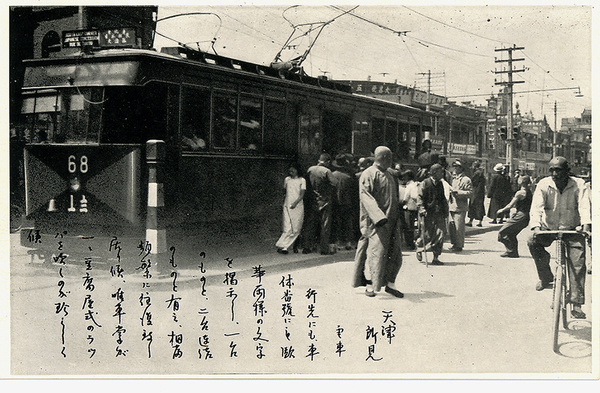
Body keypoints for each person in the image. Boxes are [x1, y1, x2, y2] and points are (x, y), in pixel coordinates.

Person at [527, 157, 591, 319]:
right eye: (552, 170)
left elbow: (584, 206)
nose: (555, 174)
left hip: (572, 229)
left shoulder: (579, 184)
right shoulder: (543, 184)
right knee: (532, 241)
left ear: (567, 171)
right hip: (549, 228)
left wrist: (585, 225)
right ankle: (546, 276)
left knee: (578, 262)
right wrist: (536, 226)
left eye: (559, 170)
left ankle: (576, 303)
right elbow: (536, 207)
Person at [351, 146, 404, 298]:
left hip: (392, 221)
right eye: (390, 157)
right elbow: (366, 197)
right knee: (375, 255)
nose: (391, 161)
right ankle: (370, 285)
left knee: (395, 254)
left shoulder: (390, 174)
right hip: (376, 223)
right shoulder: (368, 174)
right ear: (383, 157)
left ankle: (390, 284)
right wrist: (379, 218)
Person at [304, 153, 338, 254]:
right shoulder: (327, 171)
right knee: (325, 225)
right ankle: (324, 249)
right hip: (325, 200)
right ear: (327, 162)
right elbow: (335, 182)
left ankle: (307, 247)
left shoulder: (310, 169)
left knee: (310, 224)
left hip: (313, 200)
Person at [416, 163, 449, 265]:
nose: (442, 174)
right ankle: (419, 248)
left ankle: (436, 257)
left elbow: (443, 199)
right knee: (426, 235)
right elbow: (420, 198)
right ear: (434, 172)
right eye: (440, 172)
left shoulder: (440, 184)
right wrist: (422, 209)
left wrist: (445, 211)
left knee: (440, 234)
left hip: (439, 214)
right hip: (428, 213)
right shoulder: (425, 183)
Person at [496, 175, 533, 258]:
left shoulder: (520, 193)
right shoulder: (529, 191)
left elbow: (510, 205)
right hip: (526, 216)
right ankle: (512, 252)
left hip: (520, 215)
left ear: (521, 182)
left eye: (519, 179)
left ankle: (510, 251)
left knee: (502, 232)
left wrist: (501, 210)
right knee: (512, 234)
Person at [275, 163, 306, 254]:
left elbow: (302, 194)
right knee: (287, 226)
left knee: (296, 228)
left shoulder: (302, 180)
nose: (291, 172)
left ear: (297, 170)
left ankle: (284, 246)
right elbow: (285, 191)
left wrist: (295, 203)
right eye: (290, 170)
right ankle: (283, 246)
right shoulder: (287, 179)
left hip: (297, 206)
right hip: (287, 205)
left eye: (293, 170)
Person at [331, 153, 355, 250]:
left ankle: (336, 243)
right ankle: (348, 242)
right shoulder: (348, 177)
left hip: (335, 202)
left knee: (335, 222)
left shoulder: (332, 175)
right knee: (347, 222)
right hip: (346, 202)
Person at [448, 160, 472, 252]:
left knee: (459, 228)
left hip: (460, 206)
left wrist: (459, 193)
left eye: (457, 166)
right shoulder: (453, 178)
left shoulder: (466, 179)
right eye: (454, 166)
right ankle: (454, 243)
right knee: (452, 227)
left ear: (461, 168)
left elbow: (470, 193)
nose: (455, 168)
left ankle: (459, 245)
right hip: (452, 205)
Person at [400, 169, 418, 250]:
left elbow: (406, 198)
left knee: (408, 226)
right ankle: (411, 242)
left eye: (405, 176)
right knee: (412, 226)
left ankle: (410, 243)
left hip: (409, 208)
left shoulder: (409, 186)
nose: (404, 178)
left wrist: (401, 203)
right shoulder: (415, 185)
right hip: (415, 207)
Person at [467, 160, 486, 227]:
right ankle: (480, 222)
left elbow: (472, 181)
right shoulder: (481, 173)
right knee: (480, 206)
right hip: (481, 192)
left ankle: (470, 221)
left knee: (473, 206)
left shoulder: (477, 173)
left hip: (476, 192)